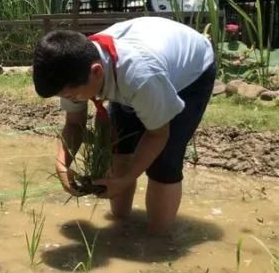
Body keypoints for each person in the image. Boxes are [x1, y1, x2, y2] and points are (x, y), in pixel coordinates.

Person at [32, 17, 216, 235]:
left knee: (164, 162)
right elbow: (74, 125)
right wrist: (62, 164)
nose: (69, 99)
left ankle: (160, 241)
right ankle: (122, 226)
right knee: (120, 146)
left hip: (191, 72)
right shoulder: (73, 68)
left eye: (71, 95)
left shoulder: (141, 76)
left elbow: (158, 134)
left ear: (97, 72)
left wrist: (127, 179)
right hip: (143, 60)